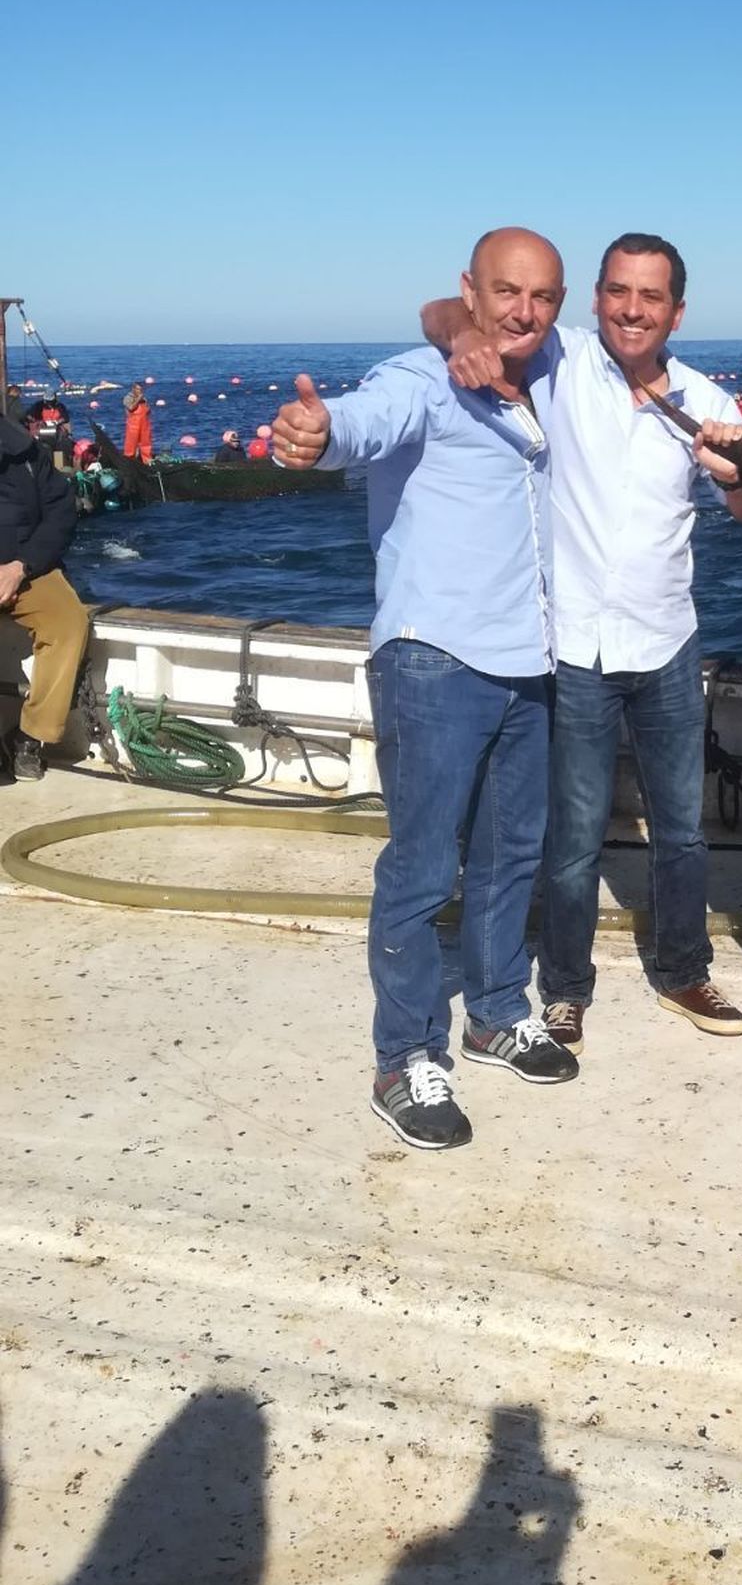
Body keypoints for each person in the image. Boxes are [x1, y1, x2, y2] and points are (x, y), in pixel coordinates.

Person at [423, 233, 742, 1057]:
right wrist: (464, 333)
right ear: (595, 299)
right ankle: (568, 989)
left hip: (668, 646)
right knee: (572, 840)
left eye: (651, 296)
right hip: (574, 646)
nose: (632, 309)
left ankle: (684, 969)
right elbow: (440, 310)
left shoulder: (709, 397)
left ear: (677, 311)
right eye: (618, 290)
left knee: (682, 829)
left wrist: (736, 472)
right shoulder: (563, 362)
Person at [271, 226, 578, 1152]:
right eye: (504, 293)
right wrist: (318, 436)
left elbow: (480, 322)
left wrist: (462, 325)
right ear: (470, 289)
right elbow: (365, 422)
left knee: (509, 852)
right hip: (433, 657)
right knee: (419, 867)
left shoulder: (551, 366)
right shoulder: (422, 377)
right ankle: (403, 1057)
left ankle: (490, 1013)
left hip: (531, 656)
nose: (524, 312)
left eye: (543, 297)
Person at [1, 409, 92, 781]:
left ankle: (30, 736)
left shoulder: (27, 453)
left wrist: (20, 567)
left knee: (69, 623)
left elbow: (61, 514)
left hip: (26, 567)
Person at [122, 383, 153, 463]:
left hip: (144, 423)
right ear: (134, 389)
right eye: (139, 390)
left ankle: (147, 460)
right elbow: (131, 407)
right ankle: (129, 460)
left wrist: (148, 409)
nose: (140, 392)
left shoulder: (144, 399)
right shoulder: (128, 398)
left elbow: (147, 410)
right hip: (133, 424)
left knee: (146, 441)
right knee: (131, 442)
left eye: (141, 390)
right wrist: (138, 399)